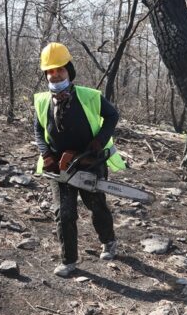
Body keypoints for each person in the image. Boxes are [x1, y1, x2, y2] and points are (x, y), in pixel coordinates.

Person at [33, 42, 127, 277]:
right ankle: (69, 260)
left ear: (69, 71)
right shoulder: (43, 101)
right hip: (58, 165)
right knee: (63, 212)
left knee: (96, 205)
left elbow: (113, 115)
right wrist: (46, 154)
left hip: (89, 162)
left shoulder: (90, 96)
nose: (55, 75)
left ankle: (108, 241)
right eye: (51, 71)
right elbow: (38, 129)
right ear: (46, 74)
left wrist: (99, 142)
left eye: (60, 70)